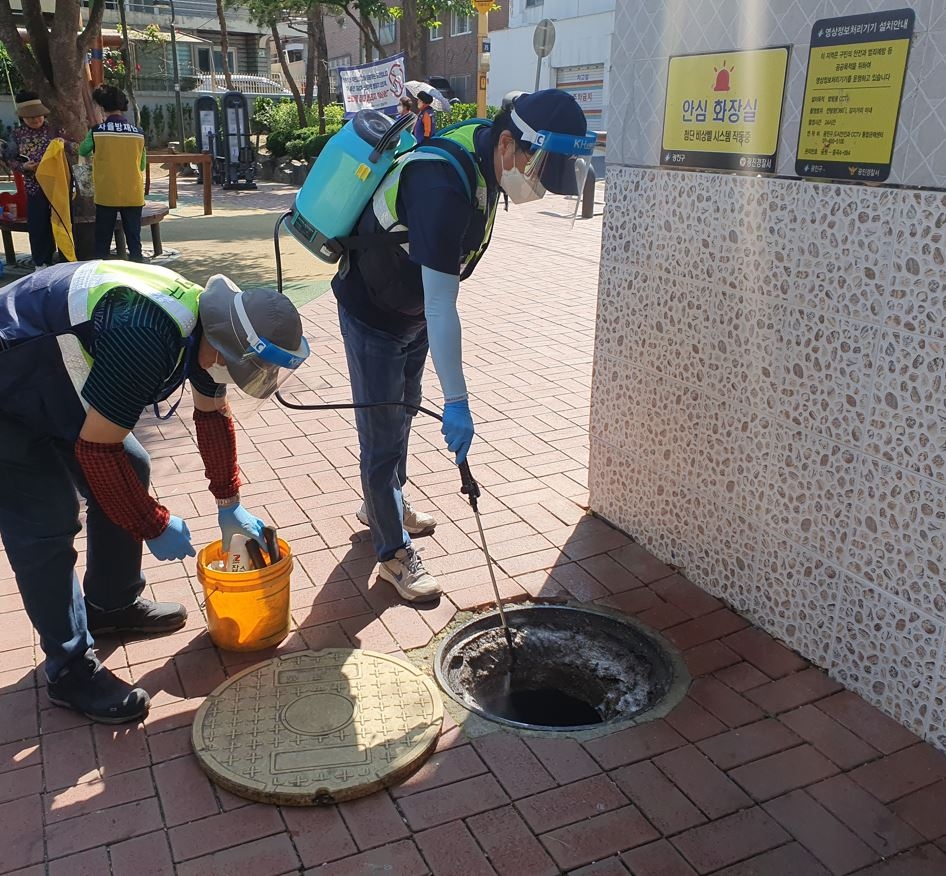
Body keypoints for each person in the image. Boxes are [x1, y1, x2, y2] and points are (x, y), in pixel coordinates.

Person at [0, 261, 309, 723]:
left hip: (53, 375)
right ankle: (70, 669)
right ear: (225, 351)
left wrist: (230, 504)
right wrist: (153, 524)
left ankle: (111, 601)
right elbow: (97, 451)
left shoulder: (209, 325)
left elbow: (211, 415)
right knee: (46, 522)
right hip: (10, 378)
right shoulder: (146, 337)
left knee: (132, 464)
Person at [333, 89, 594, 602]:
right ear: (506, 142)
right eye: (537, 168)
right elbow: (441, 304)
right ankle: (391, 551)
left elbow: (437, 297)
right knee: (382, 432)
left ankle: (384, 501)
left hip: (411, 310)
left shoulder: (485, 158)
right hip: (375, 313)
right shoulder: (440, 183)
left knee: (405, 410)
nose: (536, 181)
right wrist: (457, 400)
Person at [78, 85, 147, 262]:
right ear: (122, 107)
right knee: (134, 238)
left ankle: (101, 274)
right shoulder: (138, 133)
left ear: (102, 108)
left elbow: (83, 150)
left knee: (103, 239)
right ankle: (138, 267)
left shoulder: (97, 132)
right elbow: (142, 164)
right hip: (133, 192)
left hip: (106, 192)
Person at [3, 91, 67, 269]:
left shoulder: (54, 130)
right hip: (34, 188)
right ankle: (41, 263)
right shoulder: (17, 135)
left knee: (60, 223)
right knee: (38, 226)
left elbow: (73, 148)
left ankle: (64, 261)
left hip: (58, 186)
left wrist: (63, 145)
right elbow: (9, 158)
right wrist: (24, 167)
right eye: (29, 117)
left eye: (37, 115)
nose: (35, 120)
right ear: (22, 117)